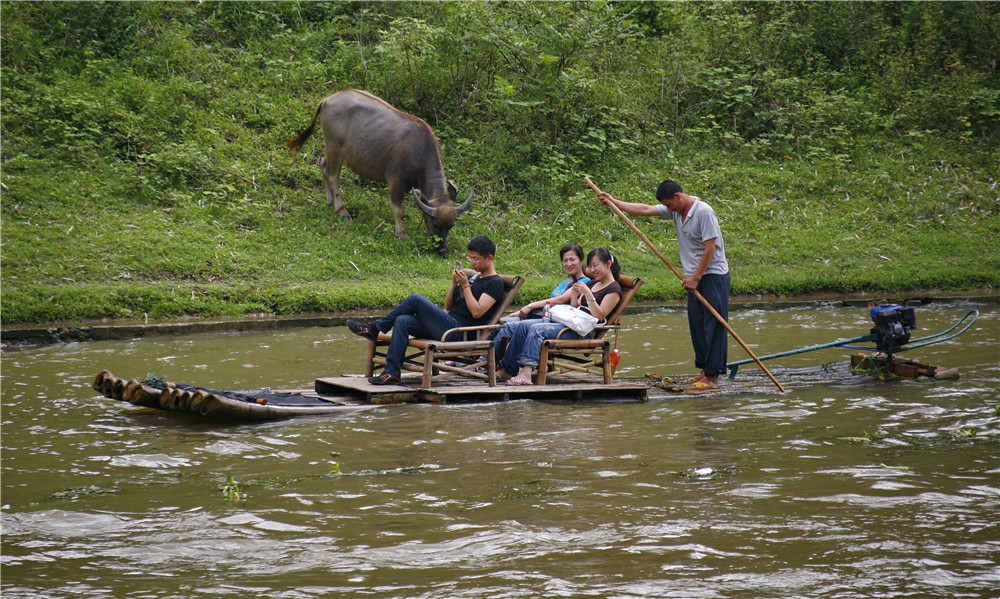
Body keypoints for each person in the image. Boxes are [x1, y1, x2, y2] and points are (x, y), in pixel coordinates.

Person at [598, 180, 729, 389]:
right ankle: (704, 371)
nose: (668, 209)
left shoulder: (704, 212)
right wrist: (614, 202)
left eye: (669, 205)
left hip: (712, 275)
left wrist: (696, 277)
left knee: (713, 325)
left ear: (678, 197)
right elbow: (645, 209)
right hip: (693, 277)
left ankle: (712, 378)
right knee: (697, 323)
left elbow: (710, 248)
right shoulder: (676, 211)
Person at [347, 236, 506, 385]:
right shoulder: (475, 278)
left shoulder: (495, 283)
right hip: (448, 325)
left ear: (489, 258)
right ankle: (392, 373)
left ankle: (374, 328)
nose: (472, 263)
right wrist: (454, 283)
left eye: (476, 259)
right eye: (470, 258)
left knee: (415, 299)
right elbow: (449, 307)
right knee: (402, 321)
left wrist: (465, 286)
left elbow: (477, 312)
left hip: (460, 333)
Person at [497, 247, 623, 386]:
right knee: (522, 326)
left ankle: (526, 372)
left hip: (583, 331)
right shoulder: (594, 283)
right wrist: (575, 295)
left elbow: (599, 316)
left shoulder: (614, 289)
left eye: (596, 265)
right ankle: (508, 369)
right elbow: (575, 307)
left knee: (538, 329)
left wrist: (588, 294)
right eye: (590, 266)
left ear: (608, 264)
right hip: (571, 323)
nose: (592, 270)